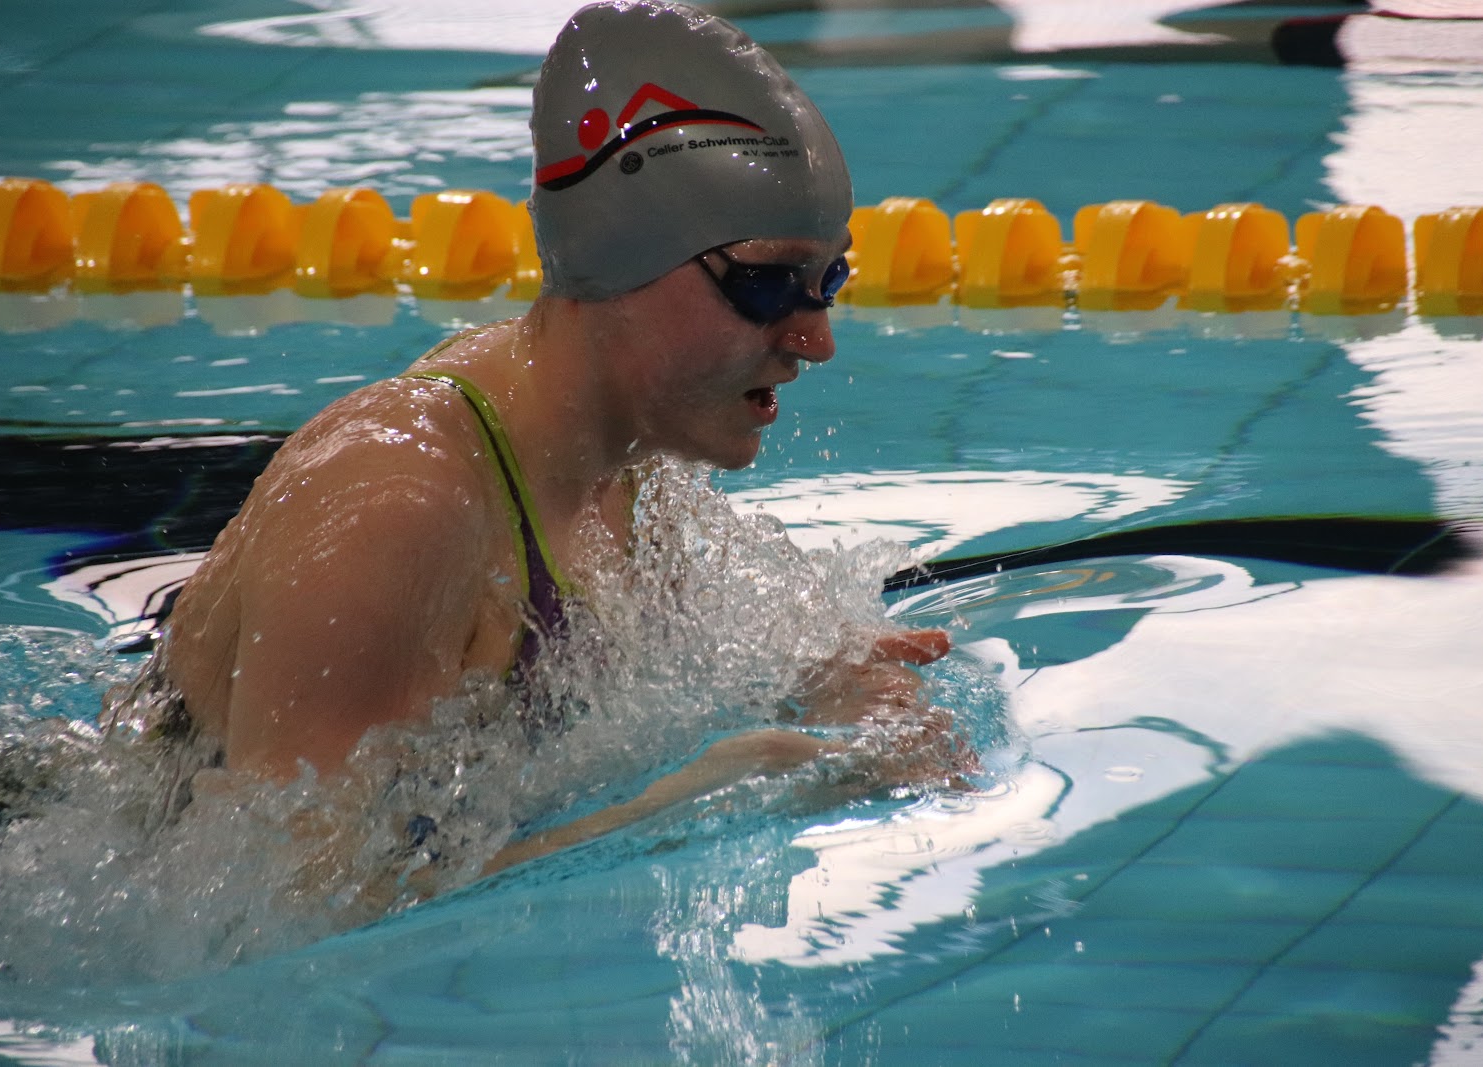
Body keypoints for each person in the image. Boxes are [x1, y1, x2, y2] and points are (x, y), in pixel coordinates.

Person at [142, 0, 963, 880]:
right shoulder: (393, 504)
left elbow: (710, 667)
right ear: (622, 260)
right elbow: (275, 909)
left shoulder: (626, 460)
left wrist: (834, 683)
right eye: (768, 284)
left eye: (829, 280)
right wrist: (693, 802)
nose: (816, 337)